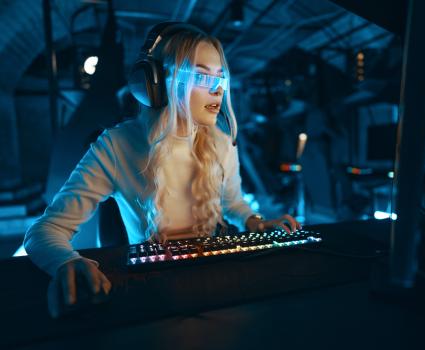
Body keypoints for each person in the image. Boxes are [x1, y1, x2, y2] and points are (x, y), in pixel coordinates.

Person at [23, 22, 301, 318]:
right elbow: (44, 230)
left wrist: (255, 222)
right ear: (155, 82)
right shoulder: (117, 145)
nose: (218, 89)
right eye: (202, 76)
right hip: (152, 292)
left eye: (220, 78)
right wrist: (65, 262)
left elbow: (232, 202)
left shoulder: (221, 142)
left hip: (215, 282)